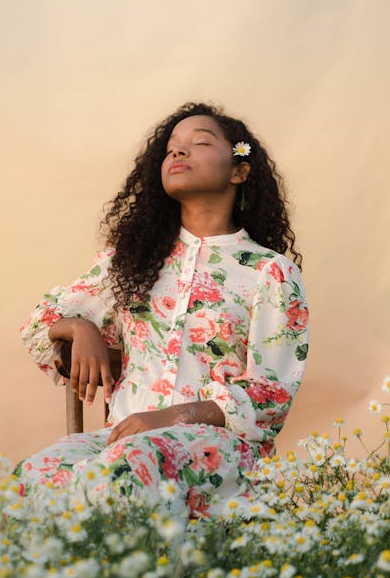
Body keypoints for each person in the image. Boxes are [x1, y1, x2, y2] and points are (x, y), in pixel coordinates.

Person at [17, 102, 309, 517]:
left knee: (130, 465)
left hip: (219, 448)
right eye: (172, 148)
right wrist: (81, 327)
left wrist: (173, 416)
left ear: (238, 170)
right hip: (122, 442)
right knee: (35, 473)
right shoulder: (133, 262)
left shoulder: (269, 271)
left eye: (200, 143)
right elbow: (40, 323)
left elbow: (272, 391)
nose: (178, 152)